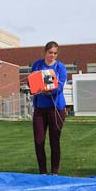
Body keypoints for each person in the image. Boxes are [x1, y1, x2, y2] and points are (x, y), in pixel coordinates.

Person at [30, 41, 67, 175]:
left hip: (56, 108)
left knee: (54, 140)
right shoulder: (37, 65)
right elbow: (33, 82)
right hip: (40, 108)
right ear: (45, 52)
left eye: (55, 53)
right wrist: (37, 88)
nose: (52, 55)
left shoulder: (60, 67)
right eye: (50, 52)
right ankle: (43, 171)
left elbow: (60, 87)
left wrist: (49, 91)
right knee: (39, 141)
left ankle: (55, 171)